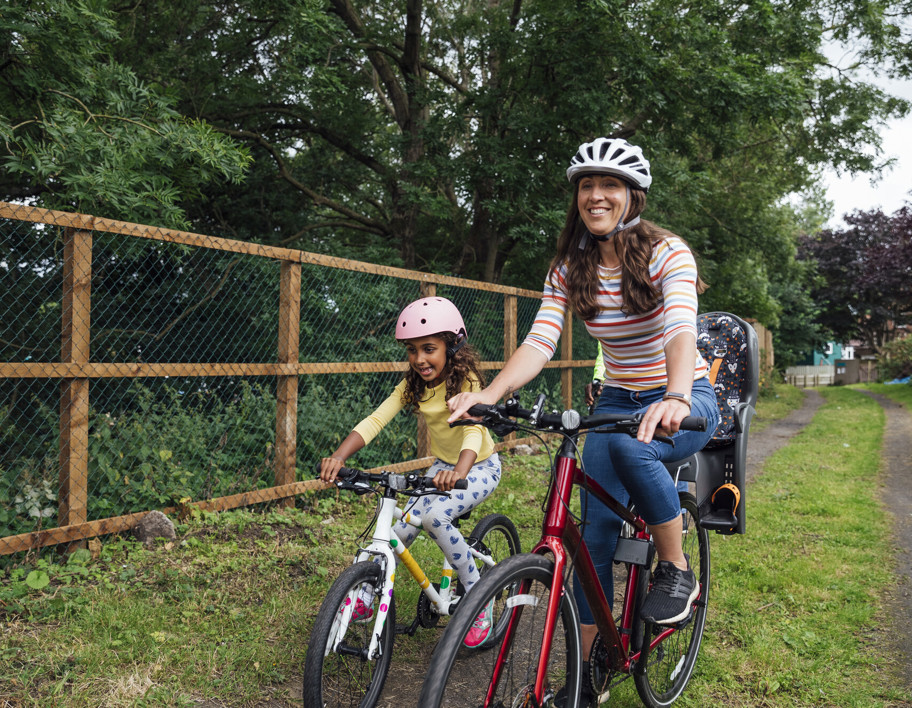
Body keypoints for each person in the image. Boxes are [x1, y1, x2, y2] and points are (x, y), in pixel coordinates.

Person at [447, 137, 720, 690]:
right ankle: (585, 675)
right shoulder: (571, 267)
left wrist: (675, 395)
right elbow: (539, 340)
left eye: (609, 185)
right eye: (587, 186)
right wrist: (491, 394)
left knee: (629, 448)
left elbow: (680, 330)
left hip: (685, 395)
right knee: (592, 534)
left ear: (633, 196)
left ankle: (675, 567)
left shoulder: (670, 253)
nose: (596, 196)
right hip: (617, 398)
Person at [320, 296, 502, 648]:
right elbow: (376, 419)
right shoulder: (413, 386)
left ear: (452, 347)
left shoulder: (467, 380)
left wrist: (459, 472)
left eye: (429, 348)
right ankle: (366, 595)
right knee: (398, 529)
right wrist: (339, 456)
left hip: (478, 466)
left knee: (435, 517)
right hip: (441, 467)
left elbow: (473, 430)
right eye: (412, 350)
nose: (419, 359)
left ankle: (480, 598)